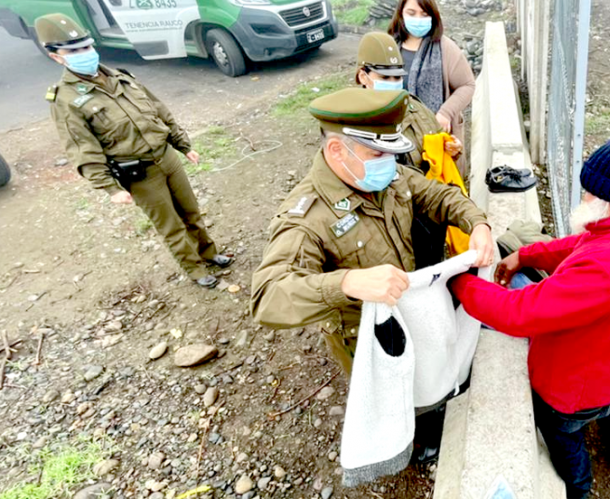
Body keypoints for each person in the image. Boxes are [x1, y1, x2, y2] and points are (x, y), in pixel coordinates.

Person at [251, 88, 493, 462]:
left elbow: (437, 195)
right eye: (377, 154)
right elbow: (268, 297)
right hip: (364, 334)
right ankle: (406, 443)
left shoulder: (388, 177)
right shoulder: (308, 216)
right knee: (392, 394)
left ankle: (429, 418)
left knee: (423, 374)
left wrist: (476, 222)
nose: (389, 163)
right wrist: (346, 283)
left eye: (392, 153)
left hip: (408, 308)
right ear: (337, 152)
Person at [449, 121, 610, 499]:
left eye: (590, 192)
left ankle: (579, 489)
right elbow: (584, 244)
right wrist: (527, 254)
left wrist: (459, 281)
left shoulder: (605, 269)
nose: (584, 196)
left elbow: (519, 312)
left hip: (571, 390)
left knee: (564, 437)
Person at [37, 14, 231, 288]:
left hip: (167, 157)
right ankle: (196, 270)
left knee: (191, 212)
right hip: (140, 173)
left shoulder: (121, 77)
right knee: (171, 226)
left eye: (87, 46)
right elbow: (82, 148)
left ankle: (209, 253)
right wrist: (110, 188)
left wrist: (183, 145)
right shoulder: (66, 100)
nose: (85, 53)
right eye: (75, 51)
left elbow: (158, 109)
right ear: (57, 57)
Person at [388, 0, 475, 175]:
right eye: (411, 13)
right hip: (396, 140)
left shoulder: (445, 48)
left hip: (437, 139)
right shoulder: (389, 47)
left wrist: (446, 113)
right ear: (401, 14)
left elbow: (467, 85)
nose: (418, 19)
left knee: (441, 192)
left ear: (433, 16)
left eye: (424, 14)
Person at [355, 31, 462, 173]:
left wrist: (451, 149)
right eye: (385, 78)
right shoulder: (352, 122)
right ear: (363, 77)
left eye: (397, 77)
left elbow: (438, 156)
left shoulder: (416, 109)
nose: (393, 83)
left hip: (426, 192)